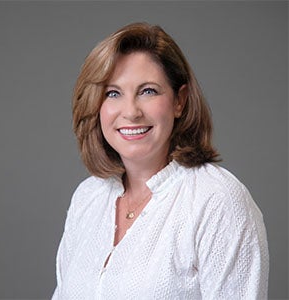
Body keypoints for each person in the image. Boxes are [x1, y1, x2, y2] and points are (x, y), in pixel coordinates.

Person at [52, 22, 269, 299]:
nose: (130, 112)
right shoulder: (87, 198)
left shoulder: (218, 201)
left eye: (148, 91)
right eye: (113, 93)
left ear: (180, 100)